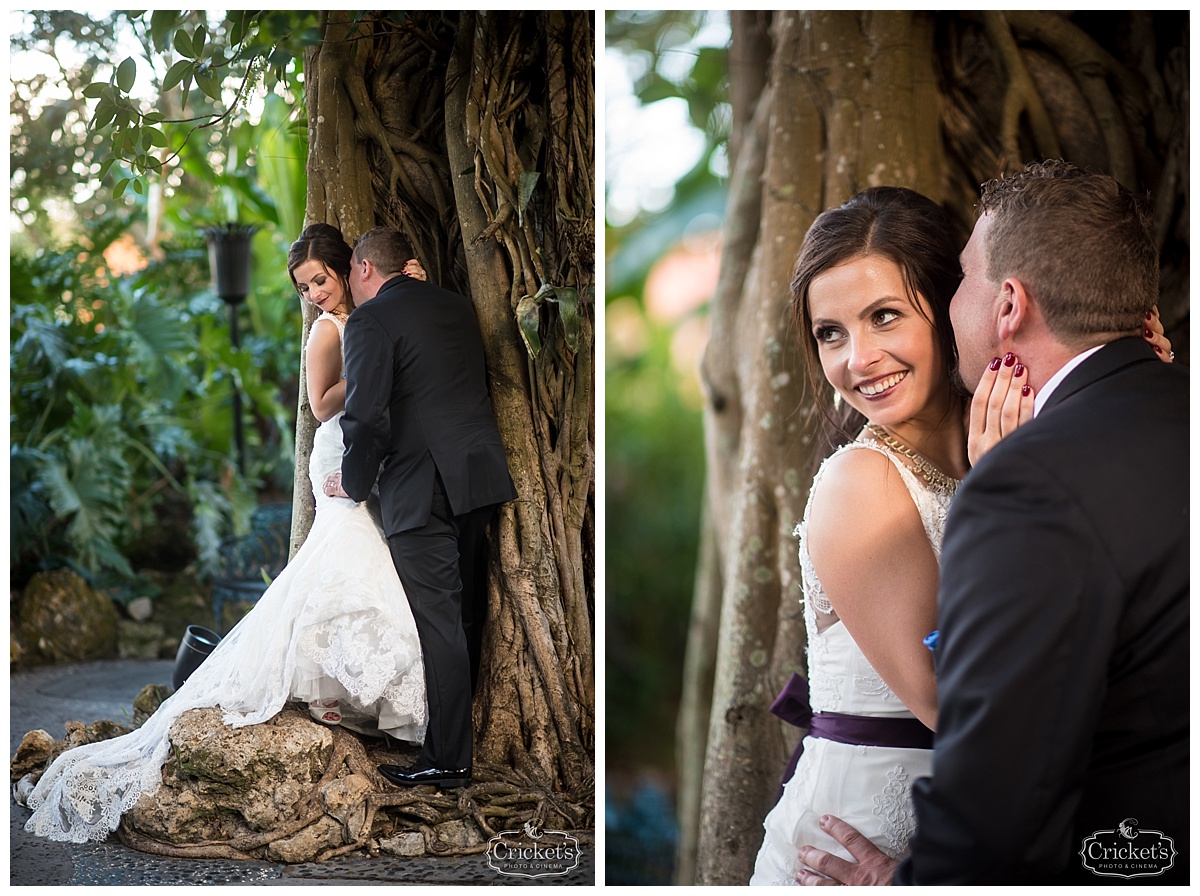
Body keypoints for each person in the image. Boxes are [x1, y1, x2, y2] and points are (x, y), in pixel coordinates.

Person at [793, 161, 1188, 885]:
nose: (858, 359)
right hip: (869, 832)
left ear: (957, 305)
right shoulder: (861, 481)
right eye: (829, 333)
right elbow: (963, 708)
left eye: (884, 316)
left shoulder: (1018, 460)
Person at [17, 222, 429, 844]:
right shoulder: (328, 330)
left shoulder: (377, 315)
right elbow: (321, 404)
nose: (315, 293)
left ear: (349, 269)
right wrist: (375, 372)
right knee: (342, 557)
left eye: (320, 279)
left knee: (360, 562)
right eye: (305, 286)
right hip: (338, 450)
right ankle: (327, 689)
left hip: (374, 456)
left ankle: (349, 696)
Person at [322, 226, 517, 790]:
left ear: (363, 269)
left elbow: (366, 416)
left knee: (440, 628)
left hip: (419, 489)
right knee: (465, 618)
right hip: (476, 481)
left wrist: (354, 485)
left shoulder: (369, 321)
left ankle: (450, 760)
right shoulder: (458, 307)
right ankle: (454, 744)